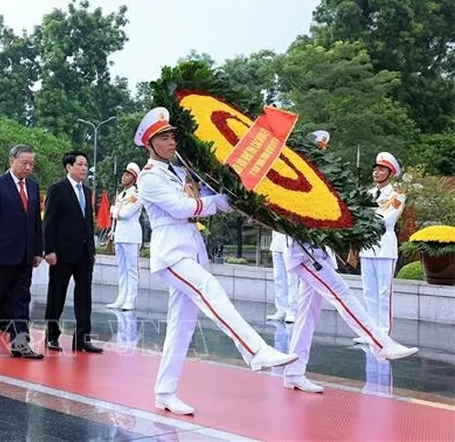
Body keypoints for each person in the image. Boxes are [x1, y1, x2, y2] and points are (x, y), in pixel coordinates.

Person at [134, 107, 298, 416]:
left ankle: (165, 392)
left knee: (180, 327)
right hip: (171, 252)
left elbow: (203, 191)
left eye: (172, 136)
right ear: (149, 144)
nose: (171, 142)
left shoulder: (180, 170)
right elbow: (183, 208)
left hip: (191, 247)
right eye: (164, 138)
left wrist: (232, 185)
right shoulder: (149, 179)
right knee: (209, 289)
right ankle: (255, 350)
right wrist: (220, 202)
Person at [282, 239, 418, 393]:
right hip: (304, 254)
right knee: (341, 294)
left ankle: (294, 371)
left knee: (307, 313)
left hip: (316, 253)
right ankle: (381, 343)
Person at [0, 144, 44, 359]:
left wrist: (37, 250)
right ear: (11, 161)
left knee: (21, 301)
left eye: (31, 164)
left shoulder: (33, 186)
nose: (28, 167)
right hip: (1, 254)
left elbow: (35, 221)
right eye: (24, 163)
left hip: (25, 256)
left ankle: (20, 344)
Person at [43, 151, 102, 354]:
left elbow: (88, 223)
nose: (84, 168)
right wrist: (49, 250)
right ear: (69, 167)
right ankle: (51, 335)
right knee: (56, 296)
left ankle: (82, 339)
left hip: (84, 254)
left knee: (84, 297)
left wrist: (92, 251)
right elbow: (48, 222)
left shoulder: (86, 191)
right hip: (62, 254)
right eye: (80, 164)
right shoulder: (57, 189)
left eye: (86, 165)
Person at [356, 152, 405, 343]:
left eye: (382, 169)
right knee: (368, 291)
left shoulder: (397, 195)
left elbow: (385, 219)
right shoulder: (367, 194)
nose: (377, 172)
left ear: (390, 173)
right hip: (367, 248)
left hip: (384, 247)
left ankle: (383, 331)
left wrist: (366, 218)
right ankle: (371, 330)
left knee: (384, 291)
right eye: (376, 169)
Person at [107, 162, 143, 311]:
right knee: (122, 269)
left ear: (134, 179)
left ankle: (130, 300)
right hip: (120, 235)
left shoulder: (136, 195)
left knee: (132, 269)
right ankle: (121, 298)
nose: (124, 177)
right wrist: (112, 231)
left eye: (128, 175)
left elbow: (124, 214)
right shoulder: (121, 195)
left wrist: (114, 211)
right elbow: (117, 217)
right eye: (124, 174)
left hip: (131, 235)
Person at [267, 231, 297, 323]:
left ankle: (292, 311)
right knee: (279, 279)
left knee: (292, 279)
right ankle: (281, 310)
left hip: (291, 245)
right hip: (277, 245)